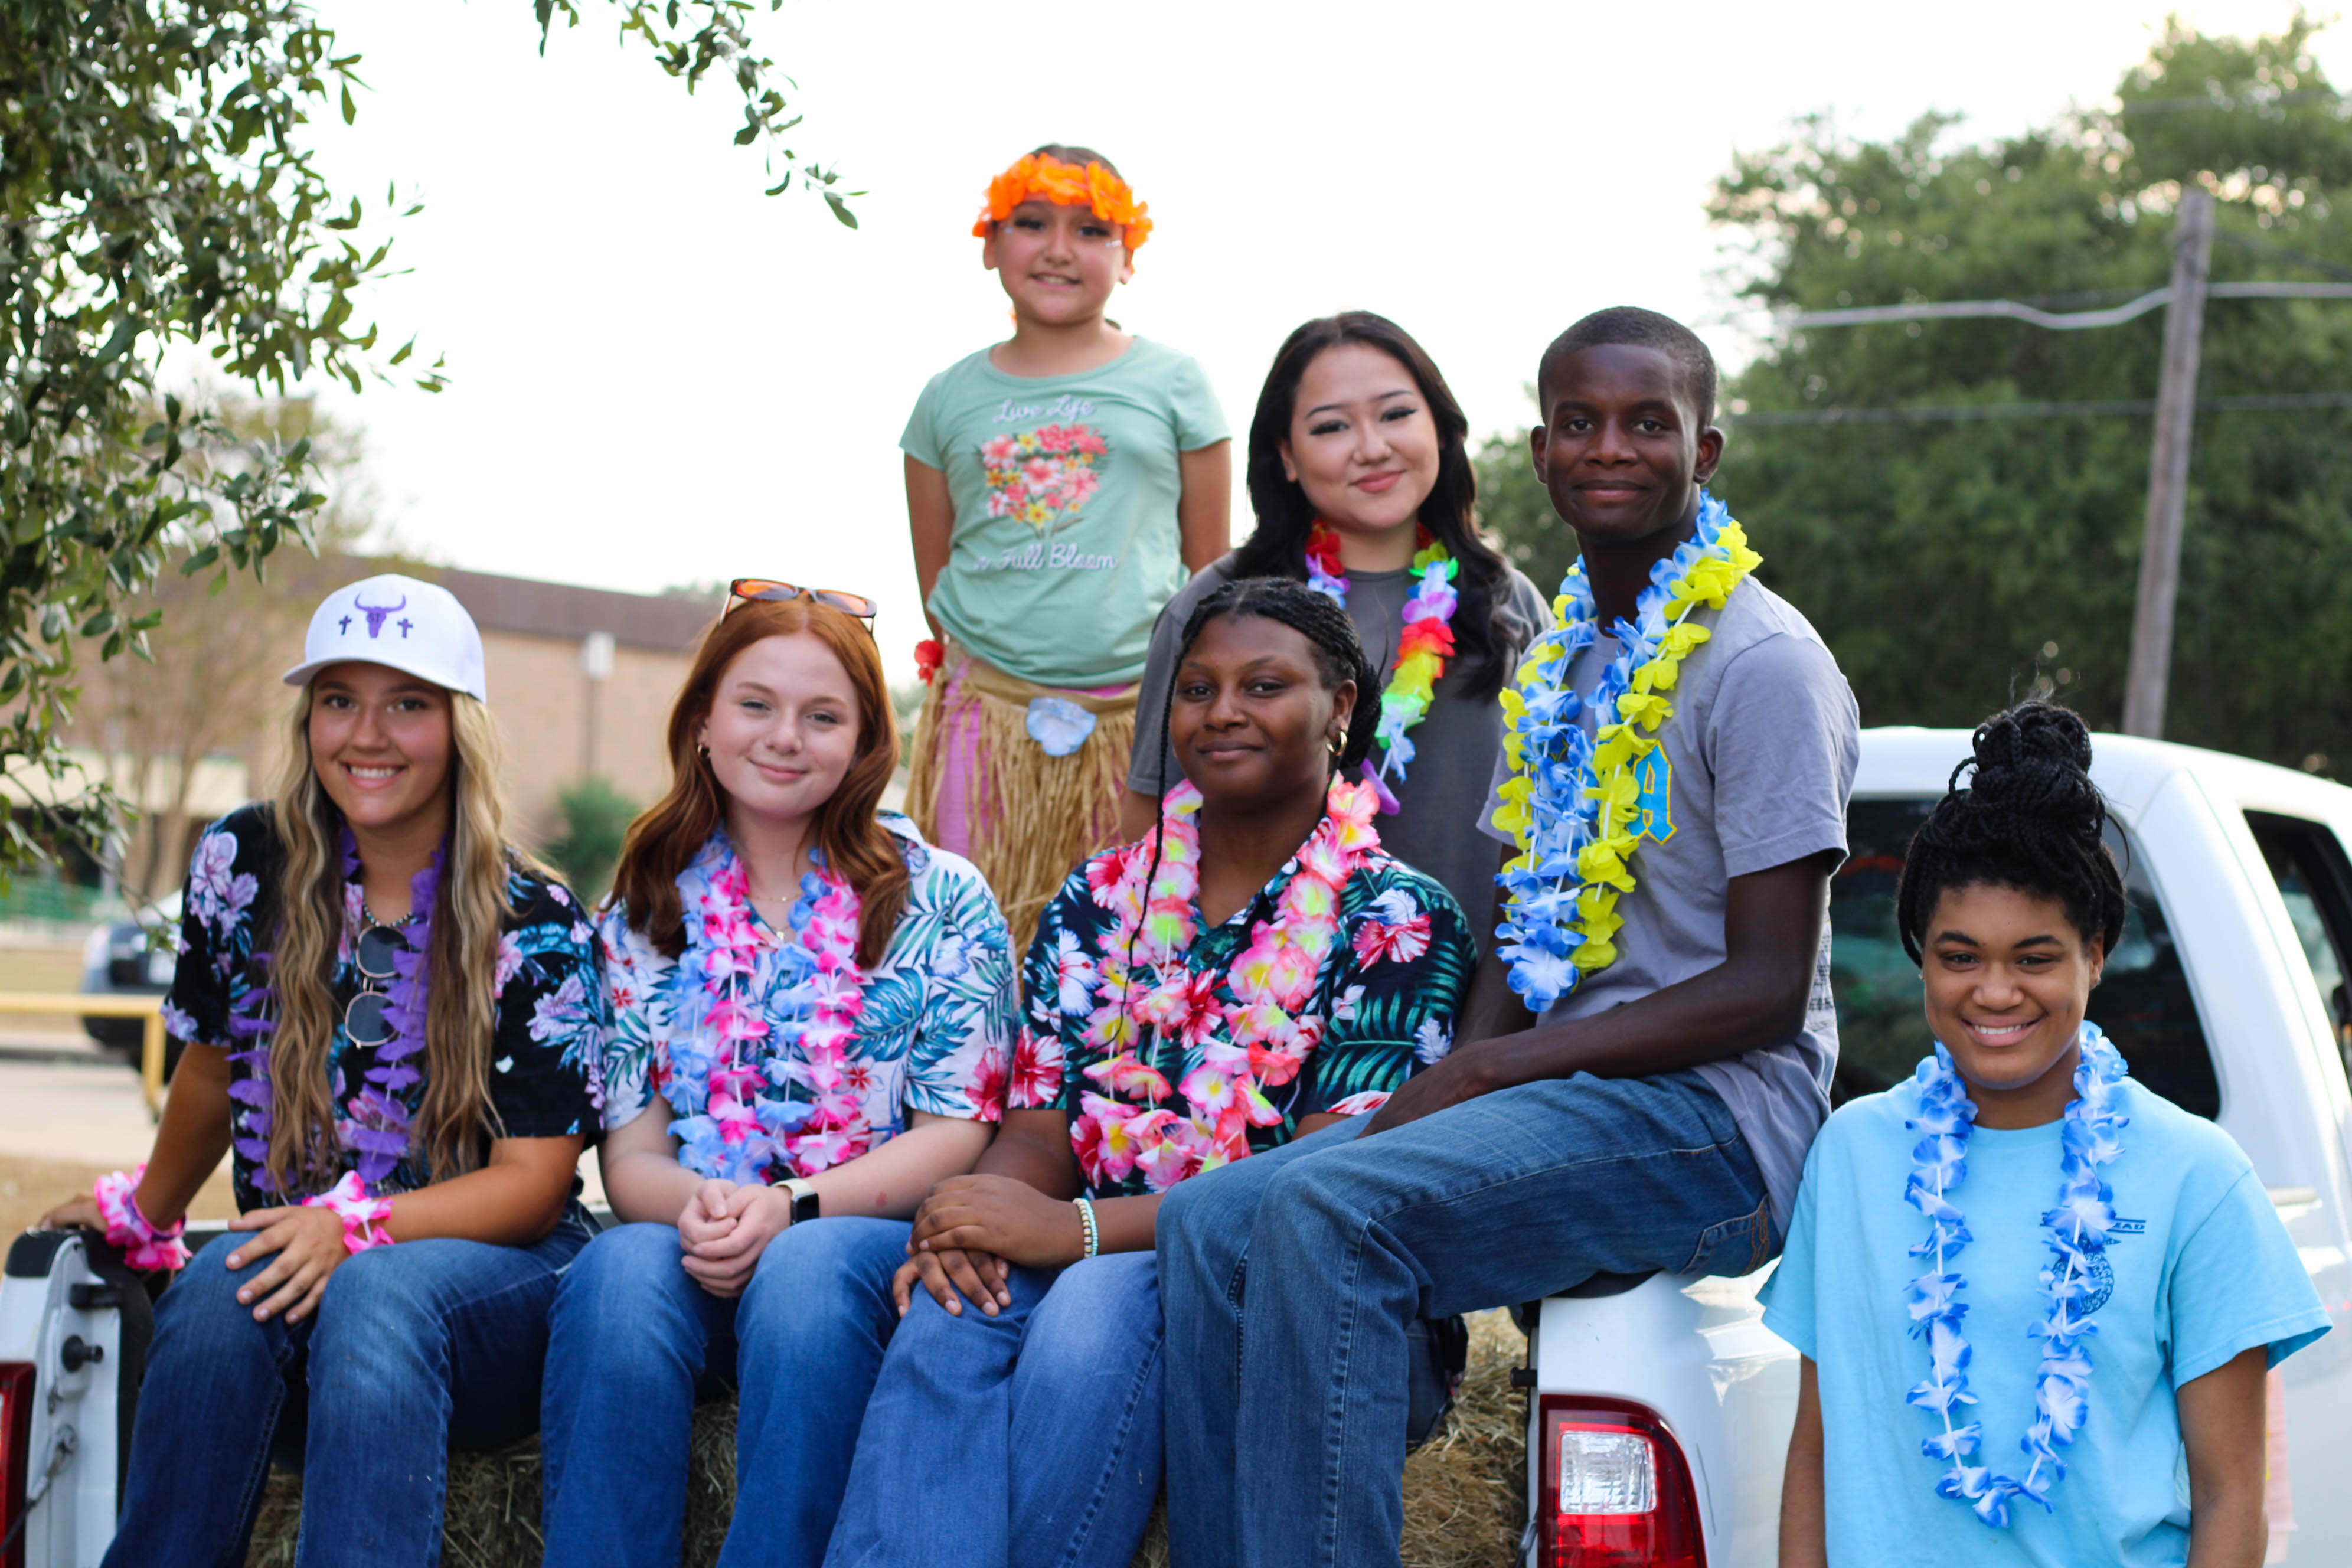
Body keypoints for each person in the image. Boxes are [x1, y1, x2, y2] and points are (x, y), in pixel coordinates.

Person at [1156, 306, 1861, 1568]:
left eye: (1649, 422)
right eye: (1580, 422)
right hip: (1561, 1094)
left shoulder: (1764, 663)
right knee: (1212, 1220)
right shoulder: (1559, 660)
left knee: (1328, 1210)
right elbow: (1516, 923)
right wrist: (1435, 1085)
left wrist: (1485, 1070)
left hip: (1711, 1122)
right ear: (1539, 451)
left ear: (1705, 450)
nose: (1611, 447)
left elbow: (1763, 989)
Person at [821, 577, 1475, 1568]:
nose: (1221, 712)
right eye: (1196, 687)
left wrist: (1072, 1230)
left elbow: (1318, 1190)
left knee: (1092, 1308)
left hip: (1281, 1289)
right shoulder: (1102, 894)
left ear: (1339, 707)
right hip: (1084, 1240)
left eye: (1263, 686)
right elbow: (1038, 1126)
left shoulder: (1394, 919)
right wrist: (972, 1220)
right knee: (949, 1313)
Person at [40, 573, 603, 1568]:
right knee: (219, 1283)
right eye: (339, 699)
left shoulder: (535, 921)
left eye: (408, 704)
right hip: (299, 1267)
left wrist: (355, 1229)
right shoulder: (244, 862)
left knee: (373, 1293)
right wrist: (149, 1213)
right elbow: (213, 1073)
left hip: (493, 1286)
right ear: (309, 718)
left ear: (458, 725)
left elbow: (532, 1185)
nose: (367, 735)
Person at [1767, 703, 2329, 1567]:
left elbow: (2230, 1501)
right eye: (1960, 957)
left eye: (2034, 958)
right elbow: (1815, 1455)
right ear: (1922, 957)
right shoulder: (1851, 1157)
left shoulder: (2196, 1177)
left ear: (2095, 955)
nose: (1995, 993)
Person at [536, 582, 1015, 1567]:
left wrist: (789, 1207)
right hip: (700, 1235)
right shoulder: (638, 913)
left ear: (866, 740)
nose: (785, 736)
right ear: (704, 721)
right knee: (615, 1270)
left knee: (799, 1268)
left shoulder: (941, 899)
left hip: (861, 1251)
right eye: (756, 704)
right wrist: (716, 1206)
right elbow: (630, 1157)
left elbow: (956, 1130)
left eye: (823, 715)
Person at [903, 142, 1231, 955]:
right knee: (974, 935)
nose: (1057, 248)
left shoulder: (1175, 383)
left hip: (1138, 723)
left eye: (1090, 229)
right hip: (988, 718)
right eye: (1031, 223)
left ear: (1128, 258)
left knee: (1130, 941)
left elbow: (1212, 576)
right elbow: (937, 575)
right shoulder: (948, 398)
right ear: (989, 244)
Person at [1125, 310, 1550, 929]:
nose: (1372, 448)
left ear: (1440, 429)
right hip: (1258, 994)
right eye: (1331, 427)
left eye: (1397, 414)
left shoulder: (1507, 600)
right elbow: (1150, 815)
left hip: (1479, 994)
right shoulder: (1217, 604)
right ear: (1286, 456)